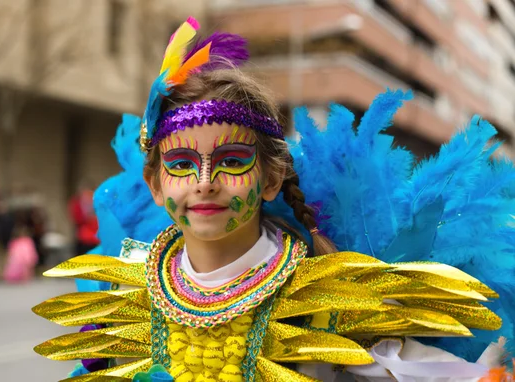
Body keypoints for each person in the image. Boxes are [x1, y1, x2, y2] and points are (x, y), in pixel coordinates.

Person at [33, 18, 515, 381]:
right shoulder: (129, 297)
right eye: (180, 165)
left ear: (270, 178)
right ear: (156, 184)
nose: (205, 181)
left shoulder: (325, 299)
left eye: (232, 160)